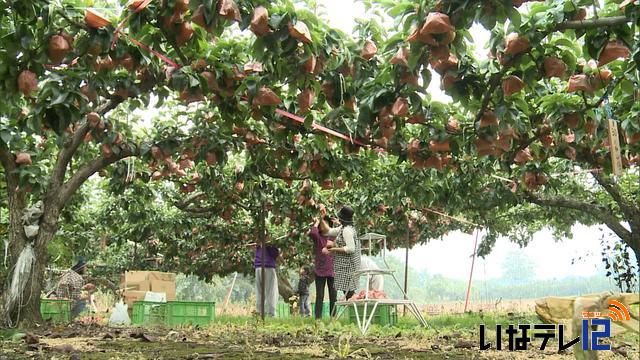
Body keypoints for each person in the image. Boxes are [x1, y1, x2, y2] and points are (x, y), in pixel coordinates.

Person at [323, 206, 361, 301]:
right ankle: (355, 313)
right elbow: (329, 231)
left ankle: (356, 313)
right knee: (348, 292)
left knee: (349, 293)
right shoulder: (343, 228)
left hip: (348, 266)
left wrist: (333, 249)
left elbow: (351, 248)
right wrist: (321, 218)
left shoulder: (347, 231)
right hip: (345, 266)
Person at [309, 215, 337, 319]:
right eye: (320, 224)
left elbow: (343, 231)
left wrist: (338, 223)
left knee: (333, 296)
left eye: (323, 223)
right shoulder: (318, 237)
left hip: (332, 270)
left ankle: (333, 318)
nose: (322, 226)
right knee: (319, 295)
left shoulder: (332, 236)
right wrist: (316, 222)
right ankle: (318, 318)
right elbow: (312, 232)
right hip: (320, 270)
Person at [254, 244, 280, 317]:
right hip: (268, 267)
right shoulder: (269, 243)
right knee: (271, 291)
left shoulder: (258, 242)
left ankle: (259, 313)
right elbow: (275, 253)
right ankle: (271, 313)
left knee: (259, 292)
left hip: (258, 267)